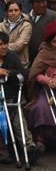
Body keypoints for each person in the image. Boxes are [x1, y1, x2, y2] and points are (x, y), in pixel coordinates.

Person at [0, 33, 41, 163]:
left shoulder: (12, 57)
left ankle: (30, 149)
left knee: (18, 121)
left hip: (11, 96)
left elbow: (22, 75)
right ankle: (4, 153)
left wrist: (8, 72)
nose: (3, 47)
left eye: (5, 44)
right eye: (0, 45)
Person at [27, 0, 56, 65]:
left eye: (43, 1)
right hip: (28, 60)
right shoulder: (26, 17)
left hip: (48, 59)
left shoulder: (53, 16)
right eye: (38, 2)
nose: (42, 5)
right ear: (32, 3)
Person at [1, 1, 32, 67]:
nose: (13, 13)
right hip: (2, 63)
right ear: (6, 13)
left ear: (20, 11)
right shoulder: (1, 26)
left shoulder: (26, 25)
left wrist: (2, 47)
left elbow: (19, 46)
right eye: (10, 11)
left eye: (16, 10)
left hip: (21, 63)